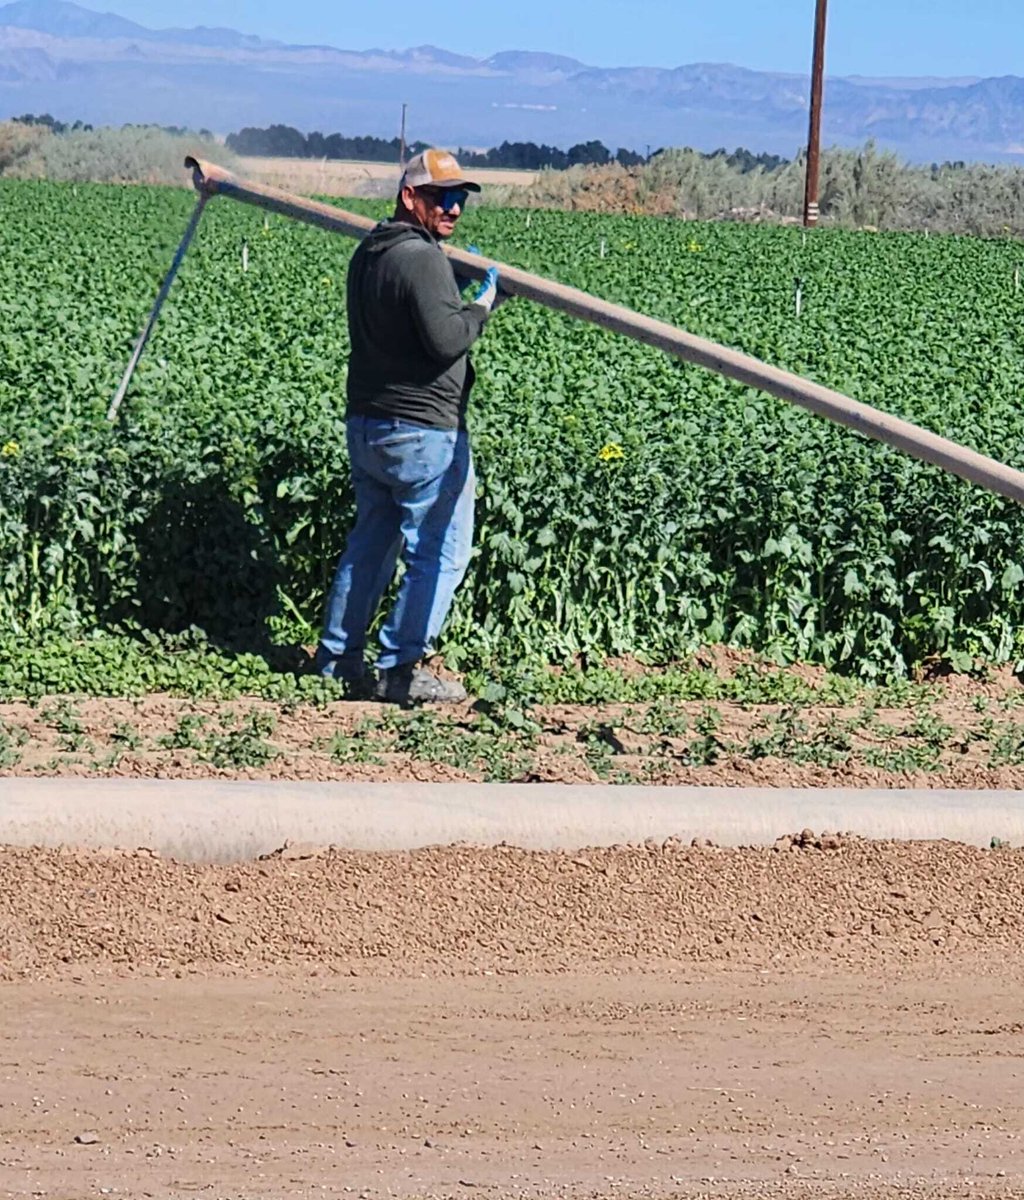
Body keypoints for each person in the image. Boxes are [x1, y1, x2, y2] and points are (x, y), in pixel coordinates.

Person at [312, 148, 502, 704]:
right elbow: (447, 340)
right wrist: (483, 305)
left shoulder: (370, 252)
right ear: (410, 196)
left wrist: (448, 286)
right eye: (442, 197)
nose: (454, 208)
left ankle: (338, 660)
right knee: (440, 551)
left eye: (460, 199)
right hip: (422, 432)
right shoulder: (420, 260)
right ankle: (399, 669)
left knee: (371, 543)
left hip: (369, 425)